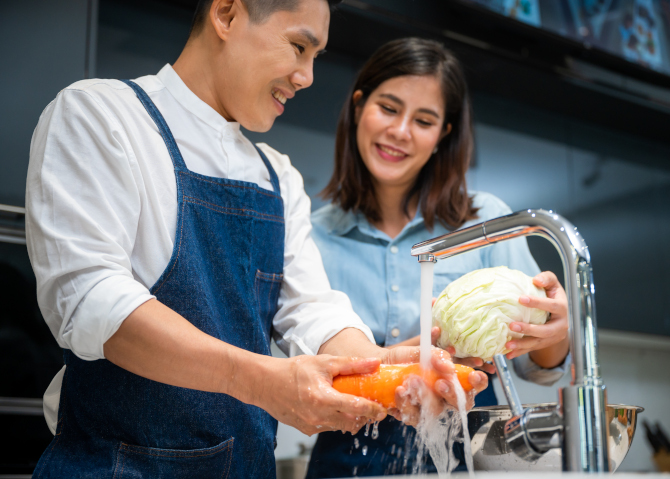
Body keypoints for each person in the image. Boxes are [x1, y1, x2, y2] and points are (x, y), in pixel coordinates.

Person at [25, 3, 487, 478]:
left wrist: (387, 371)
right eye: (298, 46)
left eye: (316, 56)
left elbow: (311, 310)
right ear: (226, 14)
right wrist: (259, 382)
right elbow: (90, 298)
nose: (307, 76)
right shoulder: (101, 115)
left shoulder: (277, 176)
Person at [306, 37, 571, 477]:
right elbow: (304, 375)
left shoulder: (484, 220)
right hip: (345, 461)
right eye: (388, 108)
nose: (401, 131)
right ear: (358, 107)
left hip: (463, 457)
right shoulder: (312, 235)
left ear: (443, 133)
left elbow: (537, 366)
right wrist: (402, 361)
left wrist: (555, 329)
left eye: (424, 120)